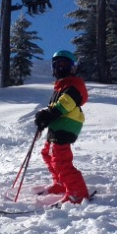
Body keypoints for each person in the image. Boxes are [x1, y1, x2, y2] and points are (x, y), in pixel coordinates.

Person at [34, 50, 91, 204]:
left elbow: (65, 104)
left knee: (60, 159)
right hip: (58, 125)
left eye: (65, 64)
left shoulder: (74, 85)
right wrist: (44, 117)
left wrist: (49, 114)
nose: (60, 67)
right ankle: (61, 183)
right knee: (47, 153)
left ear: (73, 68)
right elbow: (55, 107)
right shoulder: (60, 87)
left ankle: (77, 193)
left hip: (66, 125)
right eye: (57, 64)